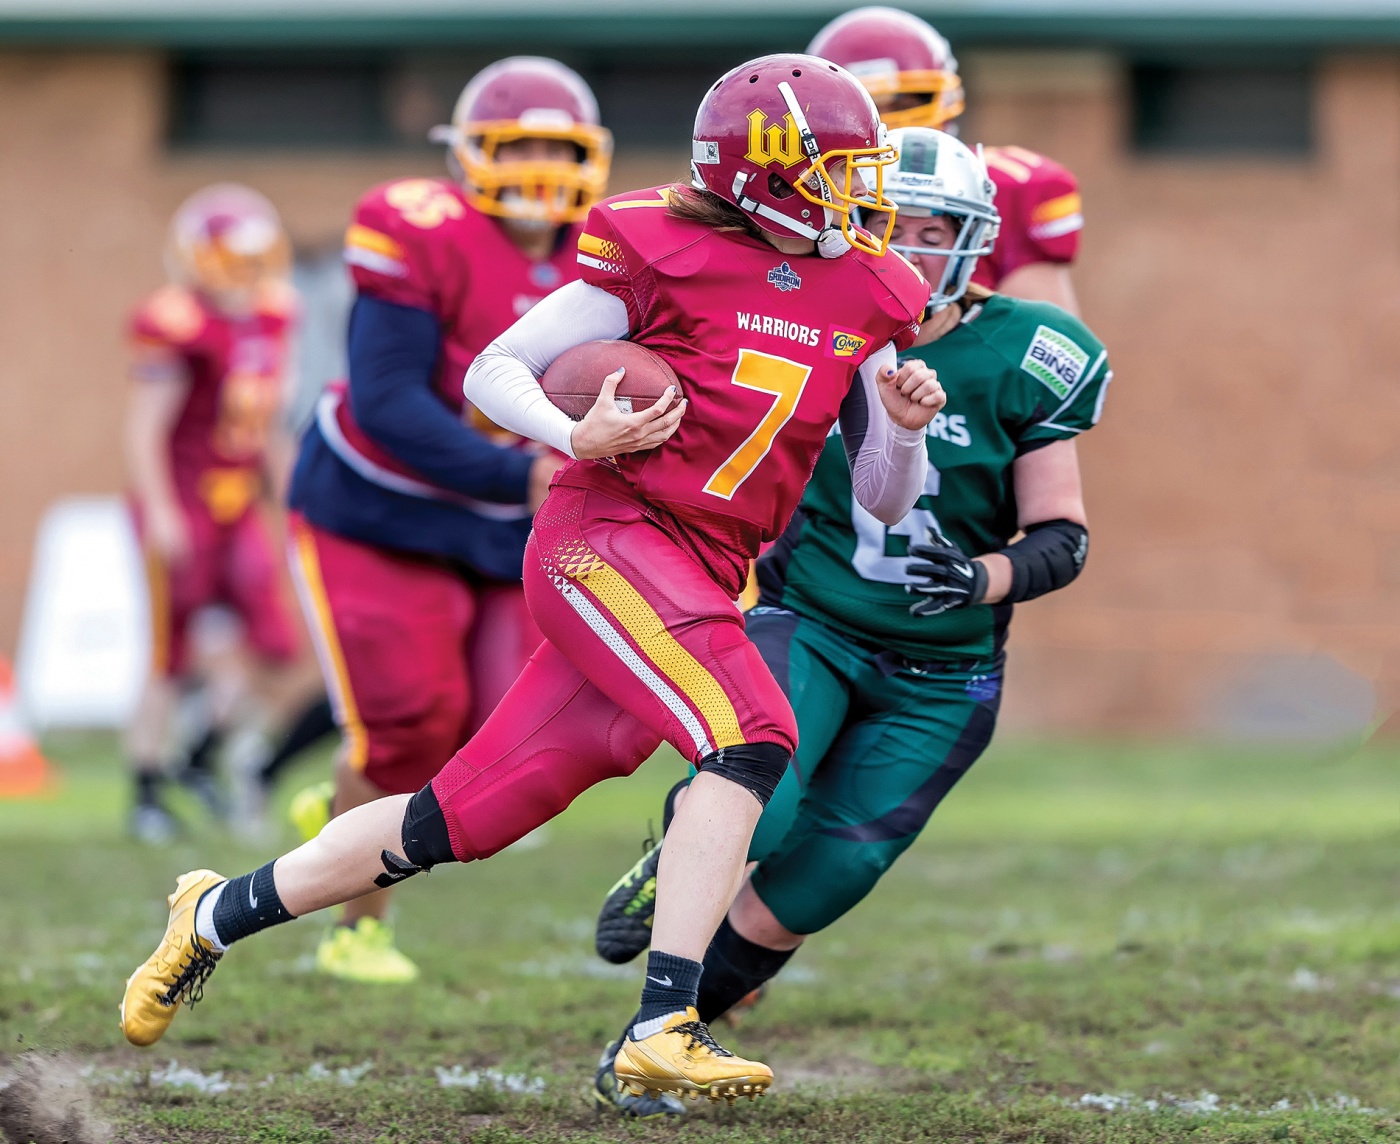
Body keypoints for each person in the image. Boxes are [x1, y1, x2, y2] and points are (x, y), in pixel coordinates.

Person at [118, 53, 943, 1104]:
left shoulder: (869, 285)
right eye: (838, 167)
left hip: (703, 565)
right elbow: (490, 370)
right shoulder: (658, 244)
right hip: (607, 533)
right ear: (763, 172)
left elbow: (880, 495)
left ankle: (214, 914)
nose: (861, 192)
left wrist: (906, 435)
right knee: (751, 734)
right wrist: (575, 431)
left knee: (456, 818)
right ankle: (664, 1023)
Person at [590, 126, 1111, 1118]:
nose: (905, 247)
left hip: (942, 669)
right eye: (882, 225)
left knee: (829, 873)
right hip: (812, 617)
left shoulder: (1027, 353)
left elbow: (1062, 535)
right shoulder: (814, 317)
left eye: (928, 230)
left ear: (973, 241)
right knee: (764, 802)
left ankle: (656, 1035)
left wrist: (979, 576)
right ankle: (670, 893)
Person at [277, 56, 611, 986]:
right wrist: (528, 468)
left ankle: (344, 798)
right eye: (521, 147)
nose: (542, 168)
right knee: (406, 723)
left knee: (499, 731)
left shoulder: (608, 250)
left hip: (499, 516)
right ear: (470, 156)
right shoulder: (415, 226)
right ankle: (359, 929)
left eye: (560, 148)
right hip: (379, 507)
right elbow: (388, 402)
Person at [123, 184, 302, 844]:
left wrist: (291, 497)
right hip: (181, 504)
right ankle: (144, 788)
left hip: (236, 506)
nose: (241, 274)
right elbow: (145, 430)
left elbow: (270, 426)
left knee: (276, 644)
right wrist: (162, 511)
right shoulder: (178, 321)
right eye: (229, 258)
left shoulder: (275, 315)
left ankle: (199, 758)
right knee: (169, 653)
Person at [808, 5, 1084, 314]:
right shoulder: (789, 190)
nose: (879, 122)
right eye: (863, 106)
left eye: (902, 102)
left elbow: (1037, 344)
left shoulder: (1000, 186)